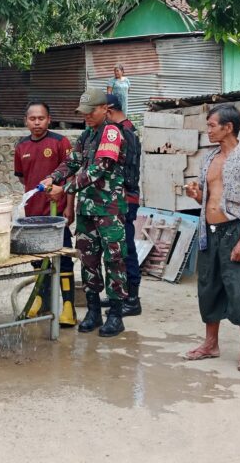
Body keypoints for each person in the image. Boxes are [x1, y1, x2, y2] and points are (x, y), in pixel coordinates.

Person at [182, 104, 240, 372]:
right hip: (209, 230)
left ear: (228, 127)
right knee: (208, 288)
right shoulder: (208, 158)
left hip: (234, 230)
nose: (208, 130)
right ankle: (211, 344)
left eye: (211, 125)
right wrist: (195, 195)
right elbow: (208, 196)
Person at [40, 88, 129, 337]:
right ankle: (93, 311)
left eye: (91, 112)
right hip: (87, 210)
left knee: (114, 261)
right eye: (83, 113)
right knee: (88, 260)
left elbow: (98, 169)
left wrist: (63, 188)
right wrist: (52, 177)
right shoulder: (87, 135)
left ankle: (115, 314)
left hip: (109, 210)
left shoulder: (112, 133)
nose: (87, 117)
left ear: (105, 110)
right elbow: (72, 162)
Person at [14, 101, 77, 327]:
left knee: (64, 259)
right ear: (26, 121)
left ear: (49, 119)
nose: (37, 122)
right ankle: (41, 301)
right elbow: (23, 177)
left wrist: (69, 206)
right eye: (33, 119)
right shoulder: (21, 146)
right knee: (38, 261)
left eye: (41, 118)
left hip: (57, 214)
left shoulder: (60, 142)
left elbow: (70, 177)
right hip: (33, 215)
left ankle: (68, 308)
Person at [102, 93, 143, 316]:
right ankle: (120, 294)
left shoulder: (124, 132)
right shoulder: (124, 129)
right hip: (120, 199)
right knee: (115, 249)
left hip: (124, 200)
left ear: (108, 110)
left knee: (126, 249)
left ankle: (133, 300)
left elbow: (125, 173)